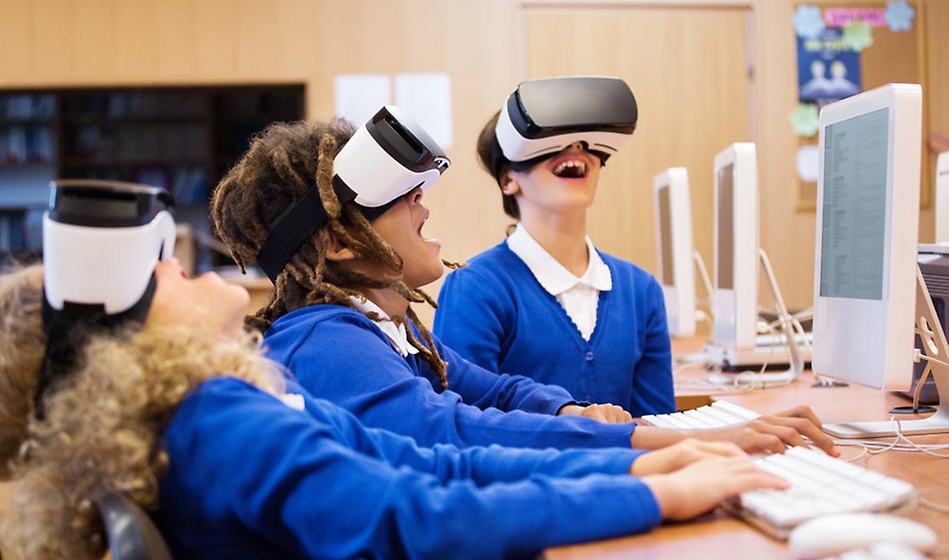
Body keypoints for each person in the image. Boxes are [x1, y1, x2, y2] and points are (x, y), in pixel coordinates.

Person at [0, 179, 788, 560]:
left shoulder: (215, 411)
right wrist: (647, 491)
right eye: (166, 268)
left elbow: (431, 463)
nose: (195, 265)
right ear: (127, 339)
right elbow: (417, 514)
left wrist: (629, 462)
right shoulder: (214, 422)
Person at [211, 107, 837, 456]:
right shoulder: (323, 341)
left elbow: (494, 391)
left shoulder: (389, 333)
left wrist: (571, 409)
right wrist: (645, 454)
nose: (425, 209)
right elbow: (452, 430)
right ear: (342, 241)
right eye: (405, 200)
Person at [434, 76, 675, 418]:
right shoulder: (475, 288)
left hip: (629, 470)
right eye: (554, 142)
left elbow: (660, 426)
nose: (575, 149)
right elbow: (469, 424)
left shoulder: (641, 291)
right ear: (508, 179)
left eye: (584, 143)